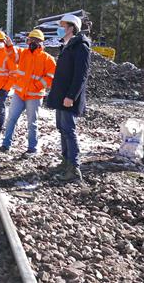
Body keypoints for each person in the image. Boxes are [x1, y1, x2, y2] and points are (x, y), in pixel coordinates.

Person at [46, 14, 91, 182]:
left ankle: (74, 167)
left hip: (68, 98)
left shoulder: (81, 47)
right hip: (61, 96)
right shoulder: (67, 46)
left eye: (63, 26)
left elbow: (81, 75)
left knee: (69, 130)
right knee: (62, 128)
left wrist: (71, 96)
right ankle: (65, 162)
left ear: (72, 28)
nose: (60, 29)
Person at [1, 29, 56, 157]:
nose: (31, 42)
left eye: (34, 40)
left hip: (34, 96)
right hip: (19, 94)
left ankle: (32, 149)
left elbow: (51, 77)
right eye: (30, 40)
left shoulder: (47, 59)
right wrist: (9, 45)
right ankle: (6, 145)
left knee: (32, 123)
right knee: (11, 119)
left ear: (40, 42)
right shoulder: (23, 53)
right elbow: (12, 55)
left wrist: (36, 86)